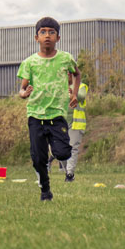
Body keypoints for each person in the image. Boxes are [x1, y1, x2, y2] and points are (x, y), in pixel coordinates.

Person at [18, 17, 81, 202]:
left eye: (51, 32)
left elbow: (77, 74)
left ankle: (54, 150)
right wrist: (23, 93)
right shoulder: (30, 63)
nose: (47, 36)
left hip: (57, 114)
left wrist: (75, 94)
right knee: (38, 159)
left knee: (63, 153)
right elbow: (22, 88)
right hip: (35, 115)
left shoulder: (65, 58)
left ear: (58, 37)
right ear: (36, 37)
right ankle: (45, 190)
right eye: (43, 32)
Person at [64, 80, 89, 182]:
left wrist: (73, 93)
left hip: (76, 123)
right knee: (59, 150)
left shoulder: (82, 86)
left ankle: (69, 174)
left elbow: (81, 96)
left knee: (72, 148)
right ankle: (67, 171)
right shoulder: (59, 84)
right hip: (61, 122)